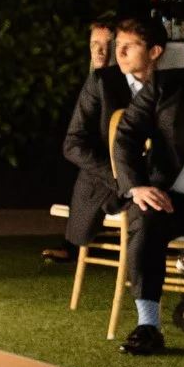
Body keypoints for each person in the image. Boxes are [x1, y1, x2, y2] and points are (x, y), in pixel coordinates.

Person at [112, 6, 184, 354]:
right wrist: (136, 186)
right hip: (173, 200)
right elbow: (126, 136)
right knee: (145, 219)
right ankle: (148, 326)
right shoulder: (167, 83)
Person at [62, 14, 159, 247]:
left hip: (157, 182)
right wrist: (126, 180)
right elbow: (73, 145)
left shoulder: (168, 87)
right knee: (147, 209)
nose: (119, 53)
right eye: (119, 46)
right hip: (107, 184)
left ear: (154, 52)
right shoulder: (102, 83)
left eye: (129, 46)